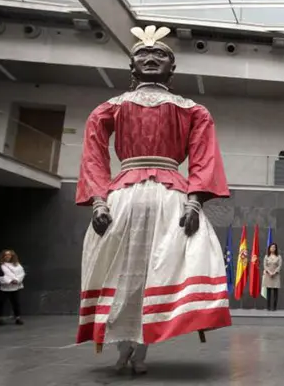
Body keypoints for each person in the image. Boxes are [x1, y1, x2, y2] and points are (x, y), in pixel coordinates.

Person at [76, 25, 231, 374]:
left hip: (172, 199)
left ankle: (142, 349)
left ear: (172, 68)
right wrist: (99, 200)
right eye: (142, 54)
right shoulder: (109, 108)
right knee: (122, 273)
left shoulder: (193, 110)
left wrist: (195, 201)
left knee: (161, 270)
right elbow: (93, 156)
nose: (150, 57)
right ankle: (121, 345)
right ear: (131, 66)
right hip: (123, 198)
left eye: (160, 54)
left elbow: (204, 157)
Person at [0, 249, 25, 326]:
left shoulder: (17, 264)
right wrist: (10, 281)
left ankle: (18, 318)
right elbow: (1, 275)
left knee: (16, 303)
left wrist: (17, 280)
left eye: (9, 255)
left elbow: (22, 273)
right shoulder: (1, 265)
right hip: (5, 287)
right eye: (6, 255)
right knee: (1, 303)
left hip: (15, 287)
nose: (7, 256)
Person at [262, 243, 282, 311]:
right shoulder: (266, 256)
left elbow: (279, 266)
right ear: (269, 249)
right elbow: (265, 265)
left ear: (276, 248)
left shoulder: (279, 257)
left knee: (275, 292)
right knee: (269, 292)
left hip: (276, 276)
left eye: (274, 247)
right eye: (271, 247)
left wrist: (275, 272)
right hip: (268, 275)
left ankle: (274, 307)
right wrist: (269, 272)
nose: (273, 248)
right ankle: (268, 307)